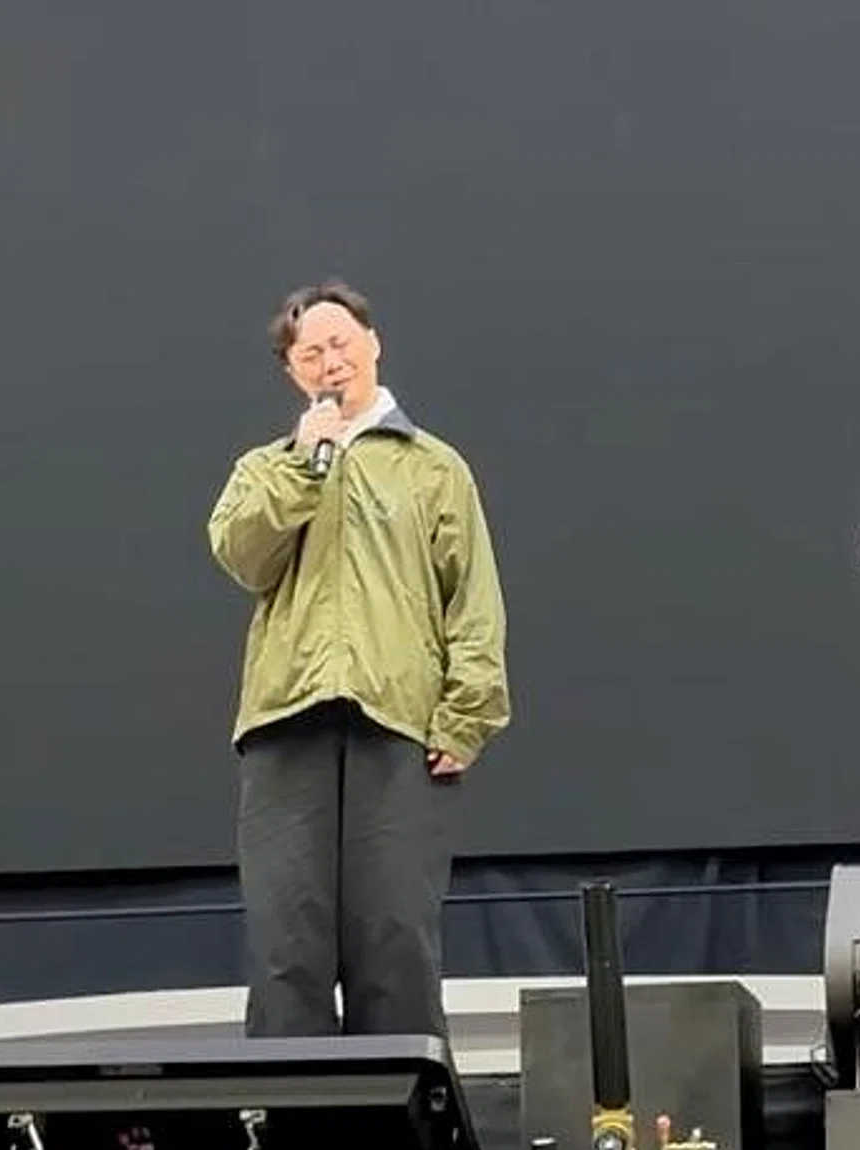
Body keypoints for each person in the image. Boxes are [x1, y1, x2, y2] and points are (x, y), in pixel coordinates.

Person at [207, 280, 510, 1039]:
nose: (330, 362)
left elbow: (472, 596)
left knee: (395, 941)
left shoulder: (433, 467)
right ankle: (289, 1103)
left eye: (340, 343)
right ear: (292, 373)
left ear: (373, 343)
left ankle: (402, 1102)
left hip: (398, 723)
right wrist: (305, 465)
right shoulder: (266, 468)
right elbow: (243, 556)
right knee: (287, 945)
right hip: (285, 722)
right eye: (310, 353)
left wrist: (467, 714)